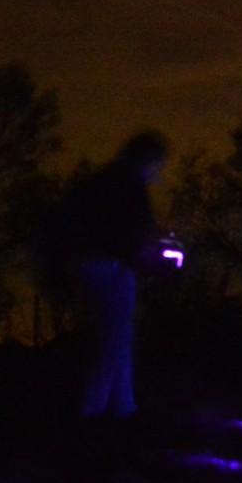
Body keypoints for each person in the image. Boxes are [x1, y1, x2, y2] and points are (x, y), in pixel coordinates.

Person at [61, 130, 168, 422]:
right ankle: (93, 410)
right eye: (157, 164)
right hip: (112, 267)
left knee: (118, 336)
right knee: (113, 338)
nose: (158, 171)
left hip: (93, 263)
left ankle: (123, 406)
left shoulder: (103, 181)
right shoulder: (129, 186)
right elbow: (136, 232)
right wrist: (154, 253)